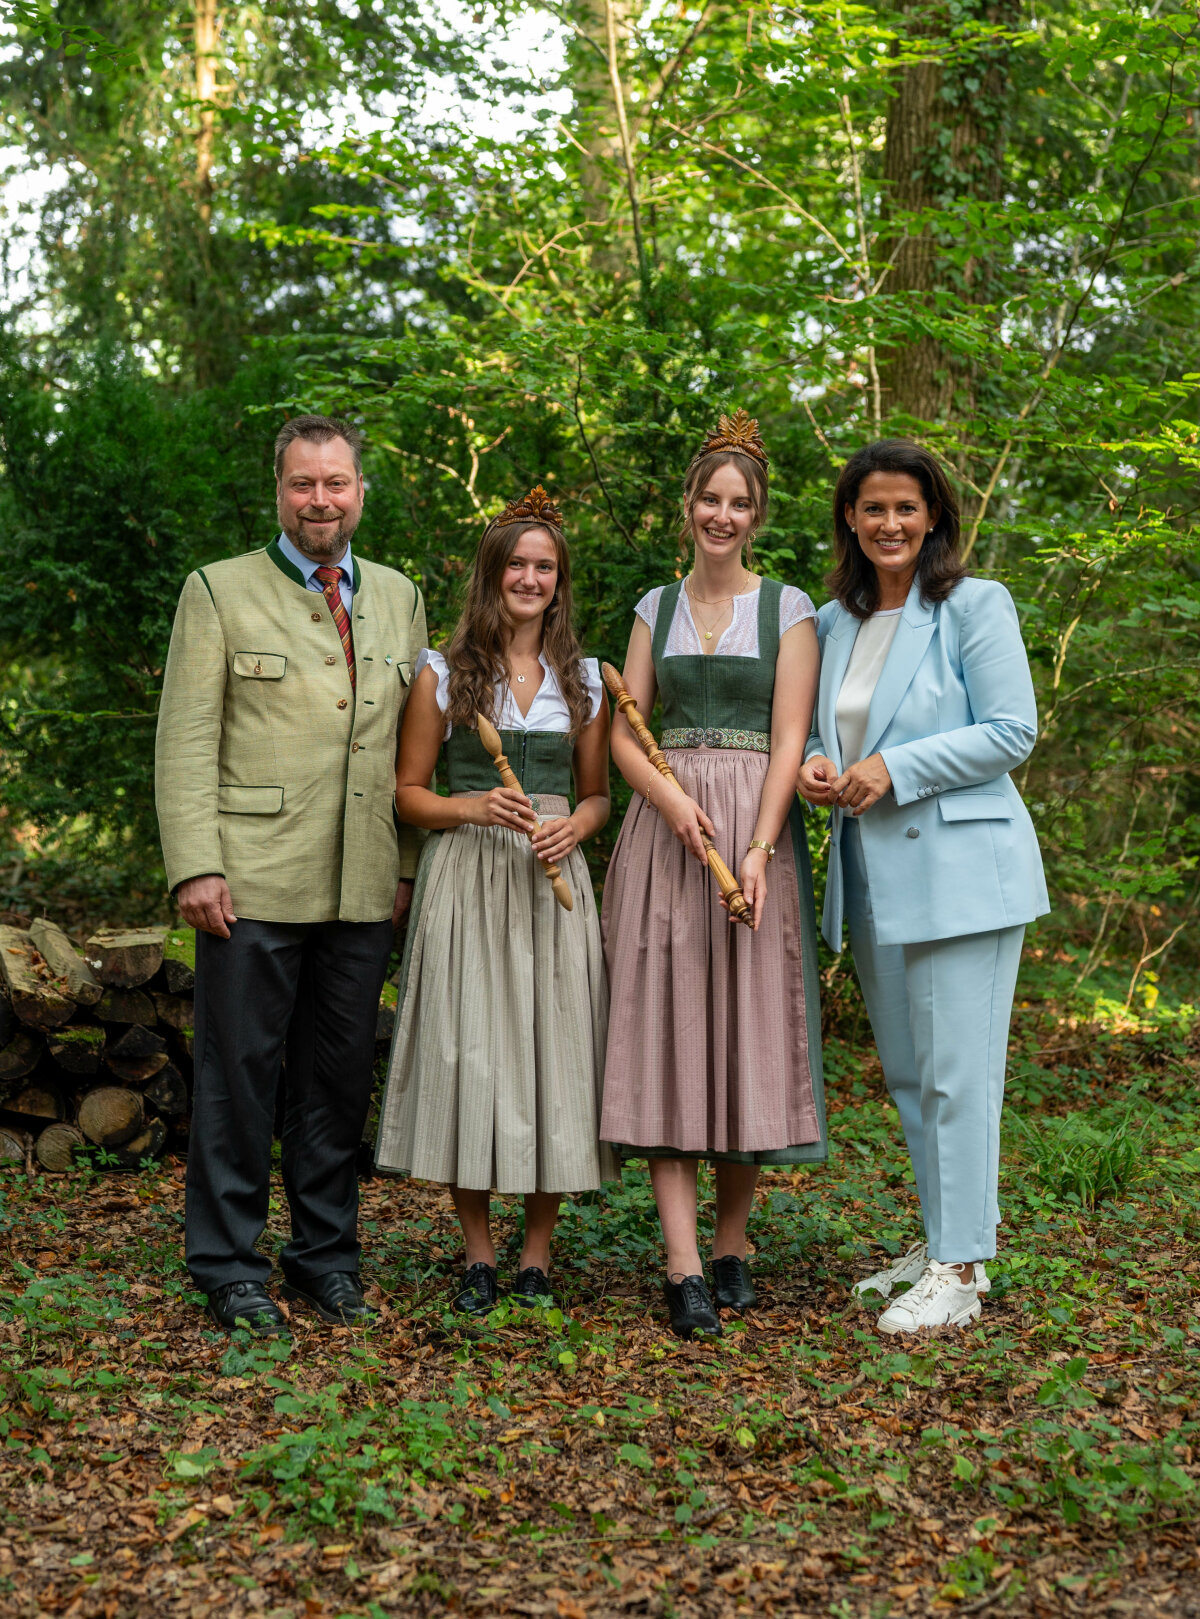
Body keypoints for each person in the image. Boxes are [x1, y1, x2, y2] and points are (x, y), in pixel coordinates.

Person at [155, 414, 427, 1335]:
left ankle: (324, 1256)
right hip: (250, 878)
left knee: (337, 1080)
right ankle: (229, 1262)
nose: (321, 500)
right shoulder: (218, 591)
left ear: (360, 491)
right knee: (239, 1076)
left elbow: (413, 752)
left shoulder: (398, 595)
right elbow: (185, 740)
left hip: (361, 881)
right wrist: (195, 862)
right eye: (304, 484)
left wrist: (407, 867)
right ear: (279, 490)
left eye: (336, 484)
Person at [797, 438, 1049, 1334]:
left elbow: (1012, 730)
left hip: (962, 873)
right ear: (851, 521)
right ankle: (941, 1236)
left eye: (906, 507)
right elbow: (821, 733)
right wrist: (820, 767)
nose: (890, 523)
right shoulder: (835, 622)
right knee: (909, 1074)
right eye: (872, 509)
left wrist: (893, 768)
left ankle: (962, 1266)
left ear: (933, 514)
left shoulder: (975, 605)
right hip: (872, 875)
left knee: (958, 1076)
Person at [601, 410, 827, 1341]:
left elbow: (788, 739)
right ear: (687, 504)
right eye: (709, 498)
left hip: (752, 836)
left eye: (739, 503)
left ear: (757, 514)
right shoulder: (655, 607)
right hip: (669, 833)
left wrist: (761, 845)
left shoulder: (790, 610)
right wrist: (668, 801)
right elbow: (623, 727)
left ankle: (732, 1244)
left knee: (747, 1029)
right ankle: (683, 1262)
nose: (721, 514)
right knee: (671, 1028)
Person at [375, 486, 612, 1315]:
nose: (530, 577)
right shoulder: (441, 675)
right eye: (516, 562)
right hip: (468, 875)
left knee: (557, 1052)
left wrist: (573, 829)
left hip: (550, 882)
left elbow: (596, 795)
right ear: (491, 573)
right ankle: (478, 1252)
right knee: (469, 1053)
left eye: (545, 566)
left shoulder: (582, 680)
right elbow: (408, 792)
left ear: (559, 580)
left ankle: (536, 1253)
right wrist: (472, 806)